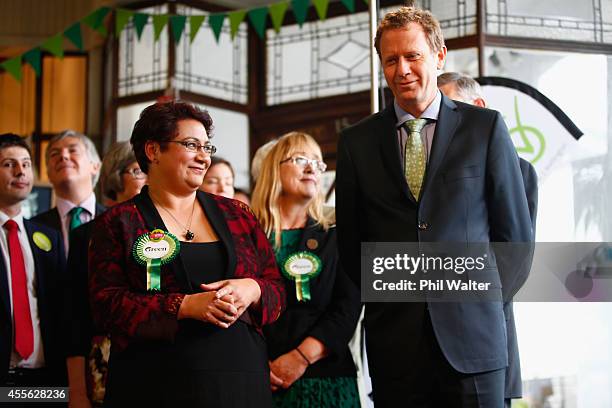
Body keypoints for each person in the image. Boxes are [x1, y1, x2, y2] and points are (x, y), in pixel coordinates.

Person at [335, 7, 532, 407]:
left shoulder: (486, 128)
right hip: (396, 350)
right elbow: (353, 246)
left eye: (413, 56)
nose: (402, 69)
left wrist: (479, 300)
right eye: (391, 60)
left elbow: (515, 241)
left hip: (475, 344)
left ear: (439, 56)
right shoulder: (356, 143)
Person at [88, 101, 286, 407]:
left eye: (207, 147)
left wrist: (253, 288)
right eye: (191, 145)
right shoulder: (117, 223)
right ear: (153, 151)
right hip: (154, 386)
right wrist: (184, 306)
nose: (204, 156)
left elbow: (277, 289)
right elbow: (106, 306)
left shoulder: (238, 215)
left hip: (241, 383)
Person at [438, 71, 539, 408]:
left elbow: (514, 258)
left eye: (450, 106)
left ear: (478, 107)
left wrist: (472, 304)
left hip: (484, 340)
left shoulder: (519, 170)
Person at [251, 131, 361, 408]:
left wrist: (299, 358)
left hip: (325, 380)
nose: (313, 168)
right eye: (300, 159)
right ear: (273, 169)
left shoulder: (338, 233)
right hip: (256, 377)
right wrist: (254, 361)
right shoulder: (246, 235)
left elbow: (347, 308)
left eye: (318, 162)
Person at [66, 141, 147, 407]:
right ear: (116, 177)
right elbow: (75, 317)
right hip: (105, 365)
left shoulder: (172, 232)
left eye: (150, 170)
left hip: (164, 362)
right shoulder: (89, 234)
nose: (147, 178)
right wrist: (76, 392)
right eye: (138, 171)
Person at [0, 134, 66, 387]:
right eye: (9, 164)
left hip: (45, 380)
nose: (20, 172)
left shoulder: (48, 237)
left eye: (26, 164)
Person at [31, 130, 104, 253]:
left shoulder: (116, 221)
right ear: (48, 174)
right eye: (54, 154)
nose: (63, 156)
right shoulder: (33, 228)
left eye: (73, 150)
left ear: (95, 166)